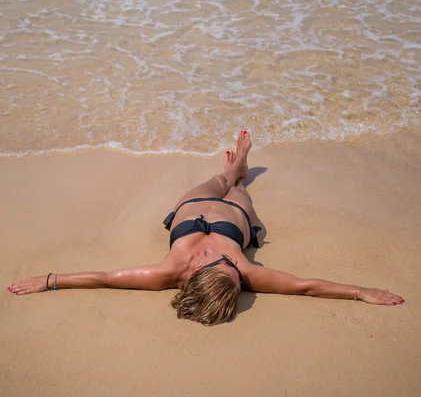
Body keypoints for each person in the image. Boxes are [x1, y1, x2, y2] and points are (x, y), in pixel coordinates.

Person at [6, 130, 404, 325]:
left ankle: (234, 167)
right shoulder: (245, 273)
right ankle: (240, 172)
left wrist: (51, 279)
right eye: (234, 267)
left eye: (221, 265)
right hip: (238, 217)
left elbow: (105, 278)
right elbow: (305, 286)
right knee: (239, 188)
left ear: (193, 273)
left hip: (193, 204)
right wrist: (359, 291)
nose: (228, 262)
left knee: (220, 177)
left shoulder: (167, 272)